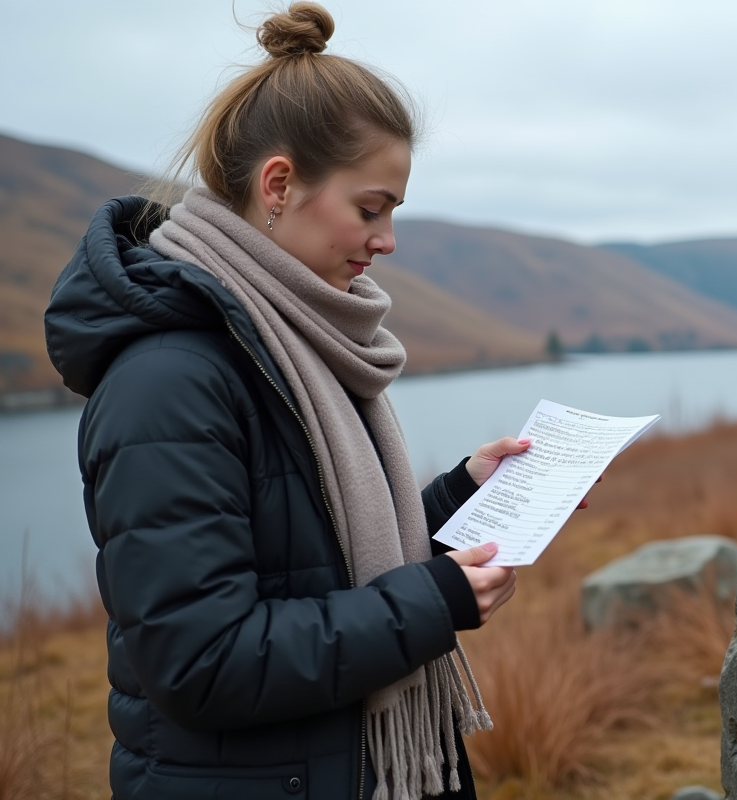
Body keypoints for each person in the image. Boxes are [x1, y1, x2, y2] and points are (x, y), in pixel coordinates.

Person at [44, 4, 570, 798]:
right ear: (280, 185)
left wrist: (464, 492)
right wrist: (431, 602)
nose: (387, 239)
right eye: (371, 207)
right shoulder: (169, 380)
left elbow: (311, 557)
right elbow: (202, 659)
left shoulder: (293, 337)